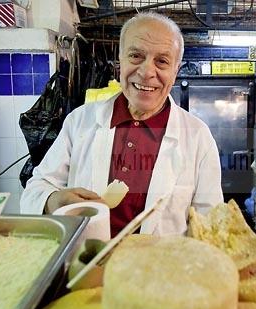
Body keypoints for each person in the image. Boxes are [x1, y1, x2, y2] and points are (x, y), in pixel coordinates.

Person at [20, 12, 223, 236]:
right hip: (87, 263)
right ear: (120, 60)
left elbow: (209, 224)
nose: (146, 72)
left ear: (175, 71)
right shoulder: (80, 122)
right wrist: (53, 201)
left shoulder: (197, 136)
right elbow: (35, 189)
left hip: (162, 267)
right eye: (136, 56)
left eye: (162, 61)